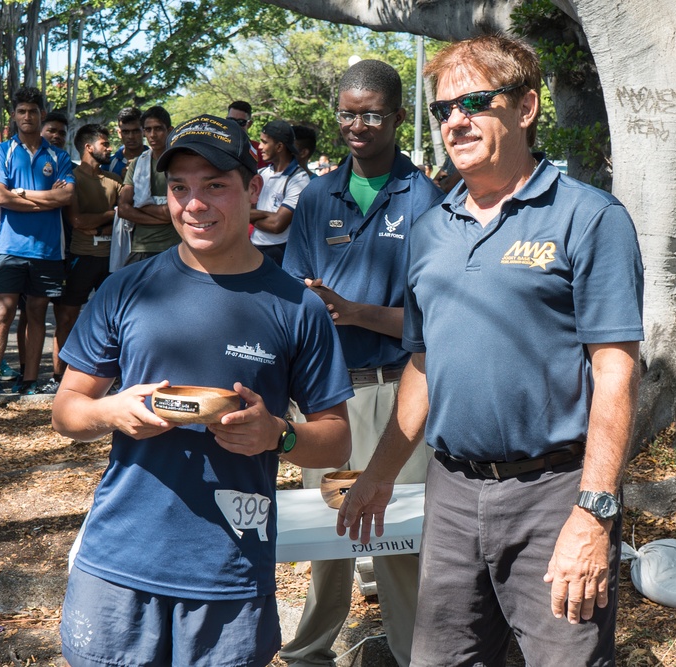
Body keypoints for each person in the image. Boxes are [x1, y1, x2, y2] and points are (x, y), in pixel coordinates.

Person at [337, 34, 644, 667]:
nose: (456, 120)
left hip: (555, 494)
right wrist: (380, 472)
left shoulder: (588, 217)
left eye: (475, 101)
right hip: (450, 494)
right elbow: (422, 362)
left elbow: (615, 370)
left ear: (526, 108)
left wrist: (594, 511)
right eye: (443, 108)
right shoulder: (429, 231)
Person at [52, 114, 353, 667]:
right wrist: (113, 411)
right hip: (119, 561)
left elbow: (336, 442)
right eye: (179, 187)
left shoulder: (297, 306)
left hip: (229, 570)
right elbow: (66, 411)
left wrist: (277, 436)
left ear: (253, 189)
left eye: (215, 185)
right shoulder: (125, 289)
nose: (195, 204)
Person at [280, 59, 443, 667]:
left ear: (398, 117)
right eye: (347, 112)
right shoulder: (318, 194)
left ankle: (411, 652)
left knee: (399, 537)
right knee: (324, 535)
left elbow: (431, 323)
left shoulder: (425, 197)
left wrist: (354, 313)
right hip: (325, 393)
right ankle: (309, 652)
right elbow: (292, 289)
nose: (357, 125)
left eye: (371, 113)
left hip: (396, 387)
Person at [0, 86, 75, 414]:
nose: (27, 116)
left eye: (33, 111)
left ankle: (30, 381)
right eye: (21, 111)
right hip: (7, 248)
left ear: (41, 114)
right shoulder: (0, 151)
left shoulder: (58, 156)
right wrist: (43, 200)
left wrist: (21, 194)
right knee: (2, 313)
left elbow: (65, 198)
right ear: (14, 115)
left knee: (37, 315)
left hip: (47, 250)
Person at [41, 123, 121, 395]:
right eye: (105, 144)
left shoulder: (115, 180)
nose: (109, 148)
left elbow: (127, 216)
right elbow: (77, 220)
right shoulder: (70, 178)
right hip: (80, 256)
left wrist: (101, 223)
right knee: (66, 317)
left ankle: (113, 379)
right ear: (89, 147)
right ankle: (58, 376)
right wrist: (112, 214)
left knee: (114, 322)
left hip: (112, 260)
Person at [117, 105, 179, 265]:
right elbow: (123, 209)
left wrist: (141, 207)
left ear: (169, 130)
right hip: (141, 247)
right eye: (148, 129)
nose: (153, 135)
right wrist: (163, 219)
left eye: (158, 128)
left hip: (174, 246)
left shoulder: (180, 164)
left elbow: (172, 212)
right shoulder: (138, 164)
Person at [249, 120, 309, 266]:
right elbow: (242, 210)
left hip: (280, 252)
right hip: (253, 246)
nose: (260, 147)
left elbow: (277, 225)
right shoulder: (261, 173)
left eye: (264, 142)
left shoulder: (299, 179)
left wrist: (250, 215)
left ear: (280, 146)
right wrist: (268, 215)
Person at [103, 106, 144, 177]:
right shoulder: (108, 164)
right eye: (126, 132)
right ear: (119, 133)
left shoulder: (155, 159)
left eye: (136, 131)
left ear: (144, 131)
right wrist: (121, 180)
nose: (131, 136)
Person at [227, 100, 267, 168]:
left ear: (249, 124)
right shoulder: (215, 146)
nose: (235, 125)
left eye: (240, 122)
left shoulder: (261, 151)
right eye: (231, 120)